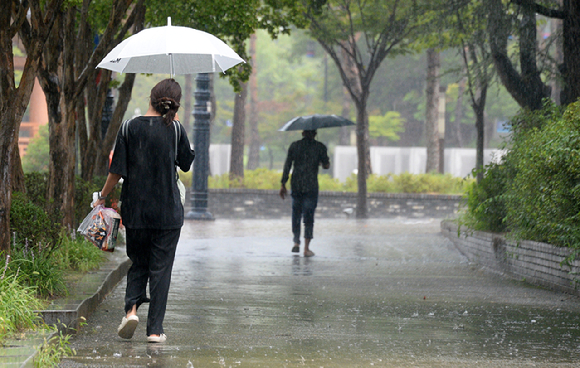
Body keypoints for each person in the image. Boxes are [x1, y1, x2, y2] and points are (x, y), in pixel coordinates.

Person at [93, 78, 195, 343]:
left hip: (136, 211)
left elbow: (117, 171)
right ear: (173, 104)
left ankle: (131, 311)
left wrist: (102, 197)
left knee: (138, 263)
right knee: (161, 270)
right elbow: (185, 164)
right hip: (167, 213)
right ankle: (155, 330)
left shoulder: (128, 128)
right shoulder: (175, 129)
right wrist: (181, 135)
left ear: (150, 98)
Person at [280, 130, 330, 257]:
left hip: (296, 184)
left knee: (296, 213)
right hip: (311, 186)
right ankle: (306, 249)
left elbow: (287, 165)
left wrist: (283, 183)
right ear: (315, 133)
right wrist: (319, 162)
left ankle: (296, 242)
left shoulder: (294, 146)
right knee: (309, 216)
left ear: (303, 133)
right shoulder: (320, 147)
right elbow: (326, 165)